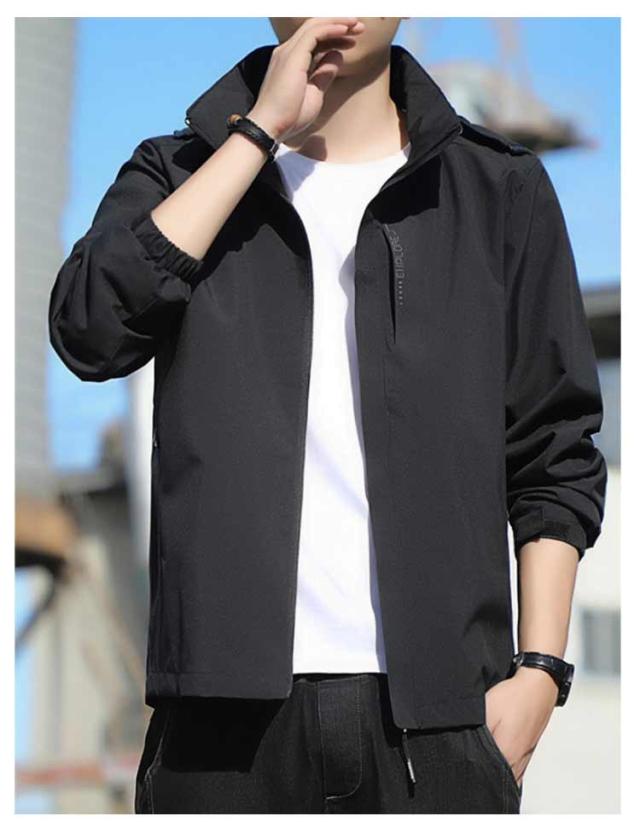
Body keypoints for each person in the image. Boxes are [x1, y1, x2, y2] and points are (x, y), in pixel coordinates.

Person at [48, 17, 607, 814]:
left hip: (442, 725)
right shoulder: (179, 172)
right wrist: (256, 135)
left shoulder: (498, 190)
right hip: (218, 730)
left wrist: (541, 674)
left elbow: (554, 446)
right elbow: (89, 331)